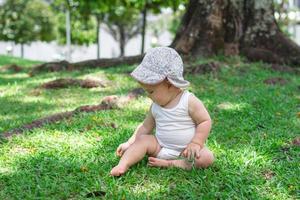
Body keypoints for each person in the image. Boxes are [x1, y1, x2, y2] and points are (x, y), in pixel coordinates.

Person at [110, 47, 214, 176]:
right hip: (160, 147)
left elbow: (205, 121)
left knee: (206, 157)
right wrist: (130, 143)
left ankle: (174, 164)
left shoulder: (188, 100)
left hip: (186, 151)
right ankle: (122, 165)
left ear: (170, 84)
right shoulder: (155, 106)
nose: (148, 96)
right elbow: (145, 127)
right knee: (143, 140)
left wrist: (196, 143)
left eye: (151, 91)